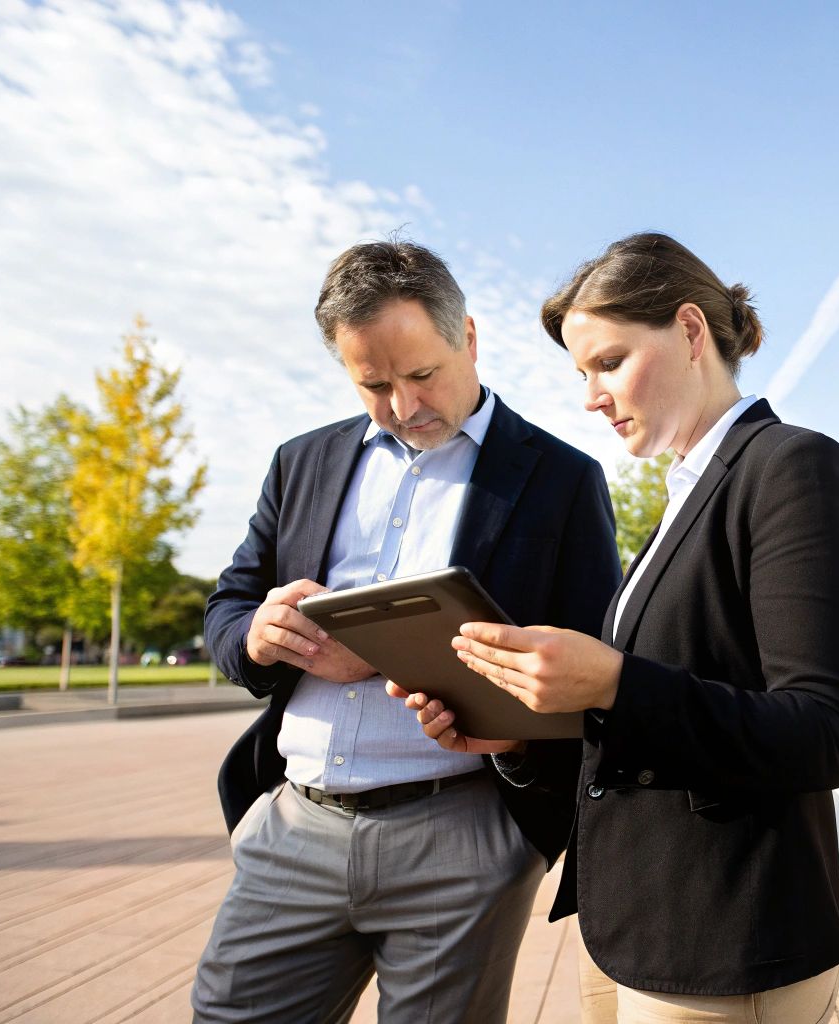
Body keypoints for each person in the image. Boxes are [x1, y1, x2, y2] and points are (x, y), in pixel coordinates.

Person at [390, 232, 839, 1023]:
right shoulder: (683, 496)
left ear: (690, 332)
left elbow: (825, 732)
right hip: (629, 933)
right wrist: (514, 739)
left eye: (608, 363)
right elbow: (642, 730)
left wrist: (613, 681)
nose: (590, 396)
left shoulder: (791, 467)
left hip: (724, 945)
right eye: (581, 374)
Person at [193, 239, 620, 1022]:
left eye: (421, 375)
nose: (402, 405)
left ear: (469, 339)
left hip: (463, 836)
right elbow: (227, 604)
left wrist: (410, 660)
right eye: (373, 385)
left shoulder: (562, 480)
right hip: (293, 826)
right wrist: (256, 635)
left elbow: (592, 671)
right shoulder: (301, 462)